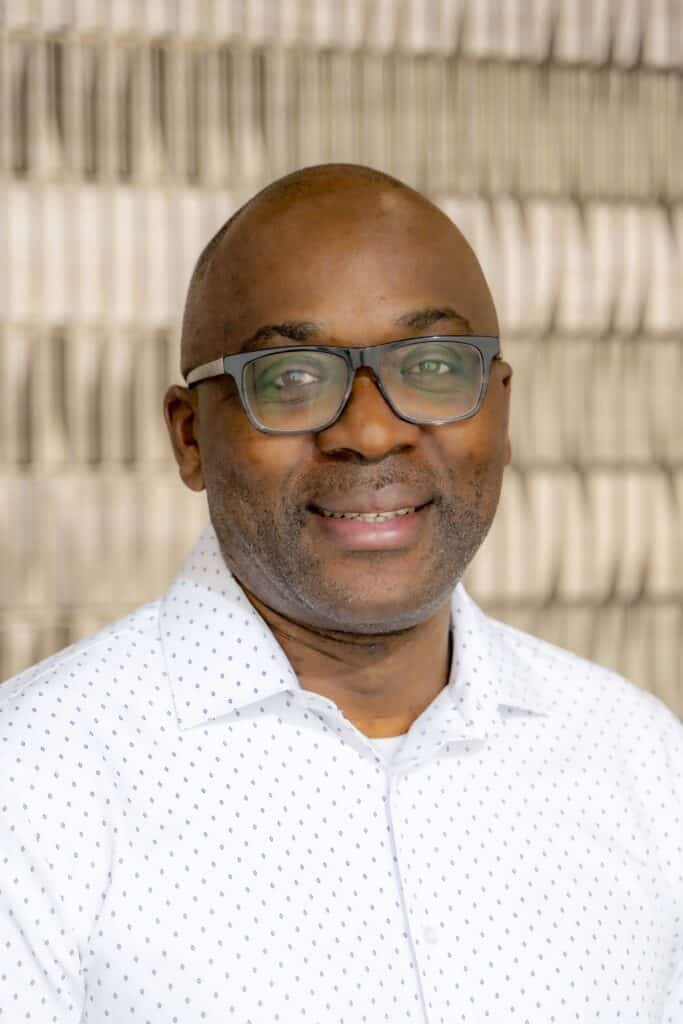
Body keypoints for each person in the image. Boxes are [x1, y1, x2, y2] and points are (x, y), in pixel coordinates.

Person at [0, 164, 680, 1023]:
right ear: (190, 438)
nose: (368, 431)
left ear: (501, 414)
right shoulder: (28, 789)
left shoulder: (640, 762)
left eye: (432, 365)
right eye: (290, 377)